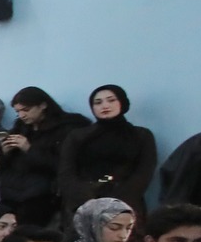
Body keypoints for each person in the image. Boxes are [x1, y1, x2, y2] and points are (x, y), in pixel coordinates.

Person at [58, 84, 156, 225]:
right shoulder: (78, 136)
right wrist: (85, 198)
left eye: (111, 100)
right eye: (98, 102)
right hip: (84, 203)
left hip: (126, 203)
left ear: (122, 102)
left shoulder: (141, 135)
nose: (104, 106)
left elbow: (144, 171)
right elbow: (66, 171)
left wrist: (118, 203)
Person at [0, 87, 86, 227]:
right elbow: (1, 168)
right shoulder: (20, 127)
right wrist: (5, 152)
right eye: (18, 111)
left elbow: (62, 165)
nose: (22, 115)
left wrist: (29, 149)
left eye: (26, 110)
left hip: (41, 197)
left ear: (43, 105)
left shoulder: (66, 128)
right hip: (10, 194)